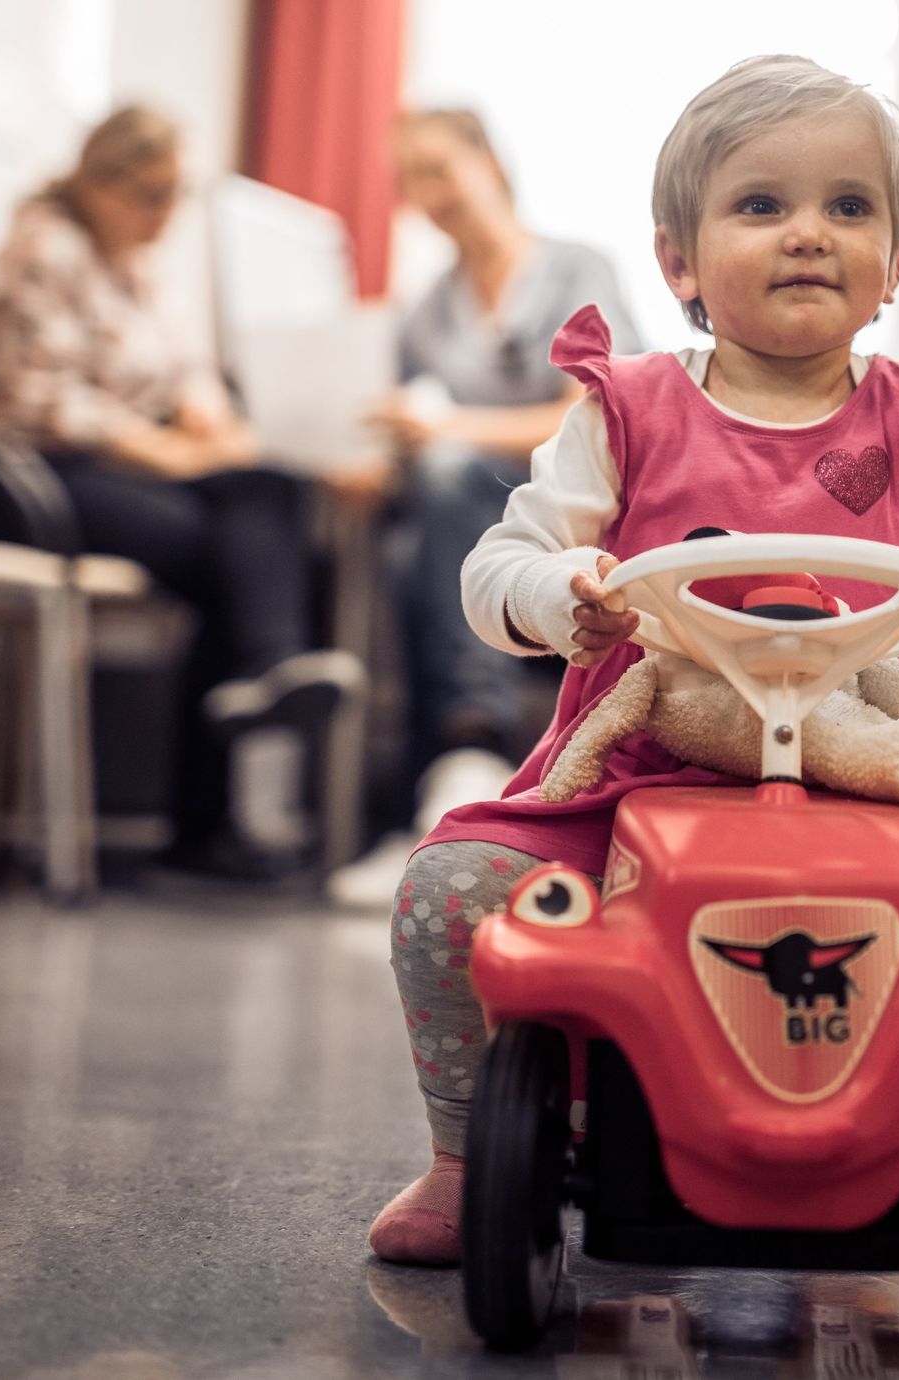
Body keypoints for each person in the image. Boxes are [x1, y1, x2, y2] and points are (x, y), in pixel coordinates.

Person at [367, 58, 899, 1310]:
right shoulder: (627, 410)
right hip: (646, 766)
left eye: (850, 208)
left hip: (889, 777)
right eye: (761, 205)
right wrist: (564, 591)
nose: (809, 230)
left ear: (894, 259)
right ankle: (462, 1154)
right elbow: (501, 561)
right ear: (680, 262)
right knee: (446, 895)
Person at [0, 106, 363, 872]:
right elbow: (46, 399)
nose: (164, 213)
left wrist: (211, 416)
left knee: (269, 492)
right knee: (230, 546)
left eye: (176, 194)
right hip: (46, 474)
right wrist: (169, 451)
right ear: (99, 181)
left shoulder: (136, 257)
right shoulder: (45, 245)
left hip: (128, 463)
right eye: (151, 194)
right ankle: (227, 773)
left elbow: (182, 361)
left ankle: (265, 680)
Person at [329, 109, 642, 905]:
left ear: (490, 162)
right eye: (412, 181)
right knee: (414, 521)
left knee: (452, 477)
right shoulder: (425, 313)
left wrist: (451, 432)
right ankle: (439, 784)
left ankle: (469, 751)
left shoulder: (577, 271)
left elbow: (602, 414)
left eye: (440, 168)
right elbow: (421, 444)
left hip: (574, 513)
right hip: (458, 529)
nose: (429, 194)